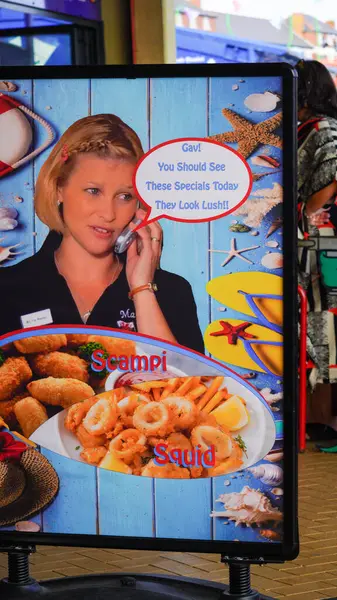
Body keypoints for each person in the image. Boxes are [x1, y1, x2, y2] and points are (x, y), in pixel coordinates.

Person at [0, 114, 204, 354]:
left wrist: (142, 290)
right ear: (58, 189)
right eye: (93, 191)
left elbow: (190, 387)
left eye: (125, 196)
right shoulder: (7, 287)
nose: (108, 214)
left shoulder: (172, 291)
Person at [297, 60, 337, 450]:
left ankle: (320, 419)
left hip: (317, 241)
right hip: (309, 238)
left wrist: (304, 212)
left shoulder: (323, 129)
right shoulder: (306, 128)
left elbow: (330, 180)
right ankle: (311, 418)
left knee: (319, 324)